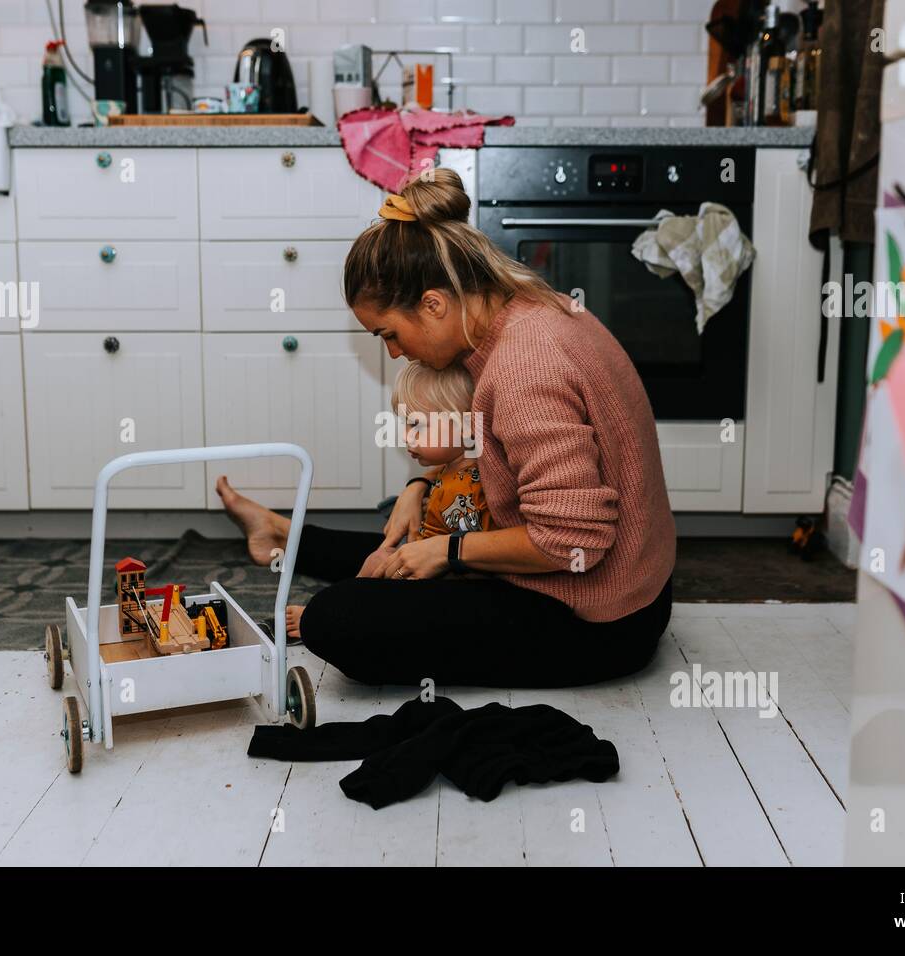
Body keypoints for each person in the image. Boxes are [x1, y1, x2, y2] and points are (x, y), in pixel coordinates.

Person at [216, 169, 676, 689]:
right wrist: (419, 486)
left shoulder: (524, 368)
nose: (393, 351)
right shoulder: (527, 311)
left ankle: (299, 541)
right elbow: (502, 459)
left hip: (598, 619)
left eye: (389, 333)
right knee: (411, 535)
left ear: (433, 304)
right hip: (631, 583)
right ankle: (281, 532)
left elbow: (573, 539)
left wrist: (450, 553)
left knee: (335, 618)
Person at [281, 359, 490, 639]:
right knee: (377, 558)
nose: (406, 436)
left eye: (417, 425)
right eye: (405, 423)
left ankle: (343, 605)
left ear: (465, 425)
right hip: (433, 560)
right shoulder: (458, 467)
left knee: (376, 564)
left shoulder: (463, 491)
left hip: (449, 583)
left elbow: (471, 564)